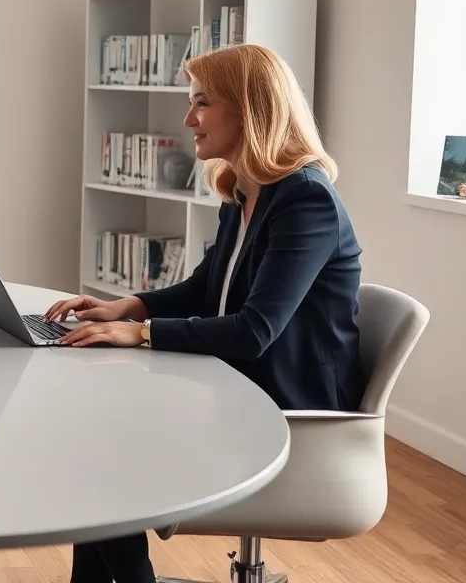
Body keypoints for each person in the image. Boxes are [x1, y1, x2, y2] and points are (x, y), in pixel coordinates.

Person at [43, 43, 366, 583]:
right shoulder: (243, 190)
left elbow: (254, 331)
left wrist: (140, 333)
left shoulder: (306, 200)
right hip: (237, 388)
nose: (188, 119)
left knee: (101, 450)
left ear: (249, 108)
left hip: (291, 417)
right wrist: (129, 305)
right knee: (93, 434)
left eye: (201, 103)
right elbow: (205, 288)